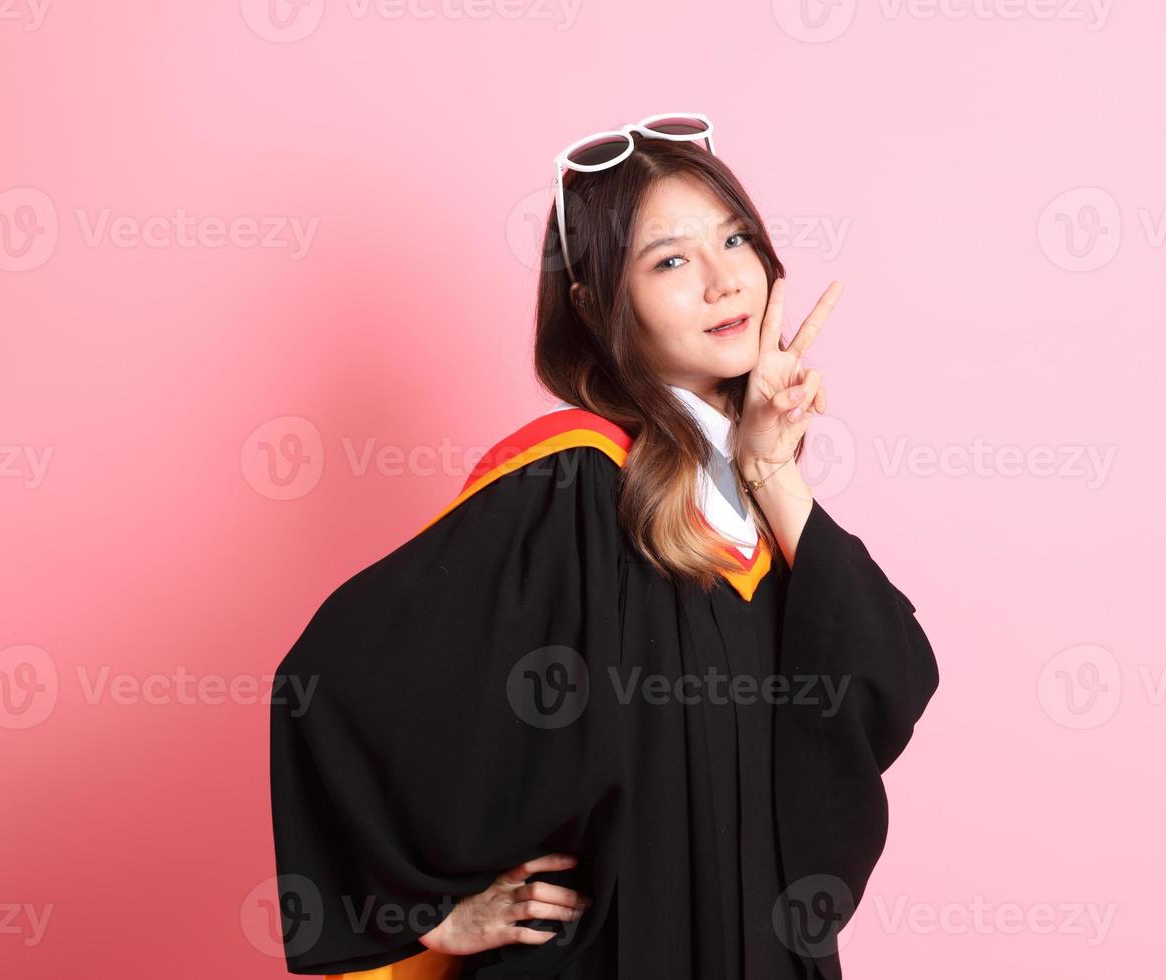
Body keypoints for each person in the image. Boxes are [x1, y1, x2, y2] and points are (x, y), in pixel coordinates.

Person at [269, 113, 940, 980]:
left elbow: (886, 685)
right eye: (669, 260)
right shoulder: (572, 482)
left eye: (734, 238)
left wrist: (772, 470)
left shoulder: (757, 505)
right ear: (596, 302)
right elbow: (328, 686)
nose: (721, 280)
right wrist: (421, 913)